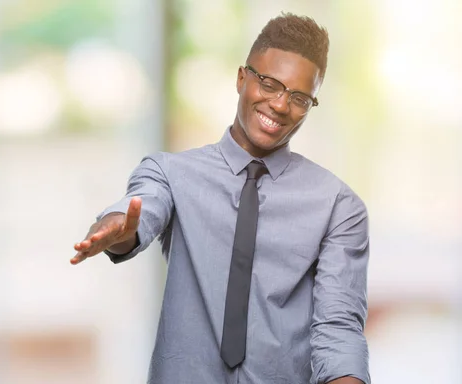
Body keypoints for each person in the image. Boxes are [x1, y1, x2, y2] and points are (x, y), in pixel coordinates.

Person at [71, 12, 370, 384]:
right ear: (242, 78)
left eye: (299, 97)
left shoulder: (339, 207)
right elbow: (143, 209)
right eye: (270, 83)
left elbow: (339, 328)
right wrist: (117, 229)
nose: (280, 105)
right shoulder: (171, 173)